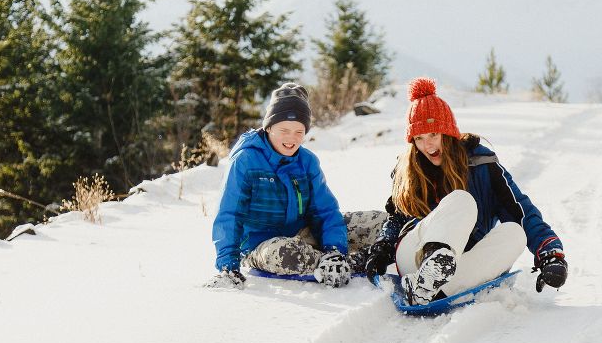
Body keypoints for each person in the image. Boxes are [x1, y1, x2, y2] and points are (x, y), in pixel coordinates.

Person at [365, 77, 568, 305]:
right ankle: (431, 271)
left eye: (433, 134)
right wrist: (381, 248)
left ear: (448, 132)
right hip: (415, 255)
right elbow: (396, 219)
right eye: (419, 138)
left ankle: (433, 290)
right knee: (462, 200)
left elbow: (522, 212)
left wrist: (550, 254)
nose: (428, 146)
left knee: (515, 233)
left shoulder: (482, 165)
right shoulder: (409, 169)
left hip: (464, 262)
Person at [205, 83, 386, 290]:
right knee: (286, 253)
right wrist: (228, 266)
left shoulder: (307, 162)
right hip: (263, 246)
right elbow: (229, 214)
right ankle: (348, 265)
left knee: (379, 223)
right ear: (269, 127)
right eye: (284, 130)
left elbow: (325, 211)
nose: (291, 138)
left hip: (302, 233)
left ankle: (336, 261)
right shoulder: (246, 161)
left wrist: (334, 249)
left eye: (298, 131)